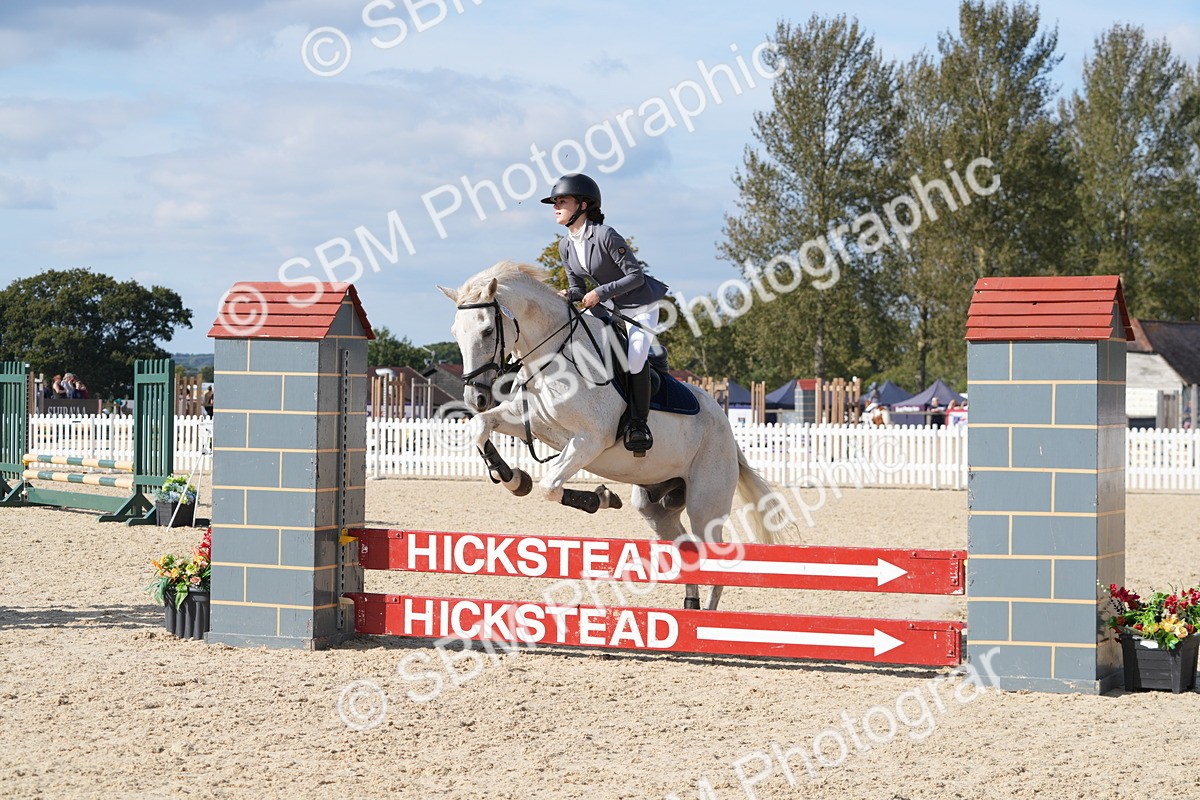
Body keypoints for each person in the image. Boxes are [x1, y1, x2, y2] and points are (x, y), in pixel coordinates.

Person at [542, 173, 668, 453]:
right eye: (554, 202)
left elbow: (635, 276)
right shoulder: (565, 245)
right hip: (608, 309)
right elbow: (578, 287)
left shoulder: (606, 235)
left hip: (640, 307)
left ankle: (638, 425)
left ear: (583, 205)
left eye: (562, 201)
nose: (556, 206)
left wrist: (599, 293)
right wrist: (567, 294)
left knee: (634, 359)